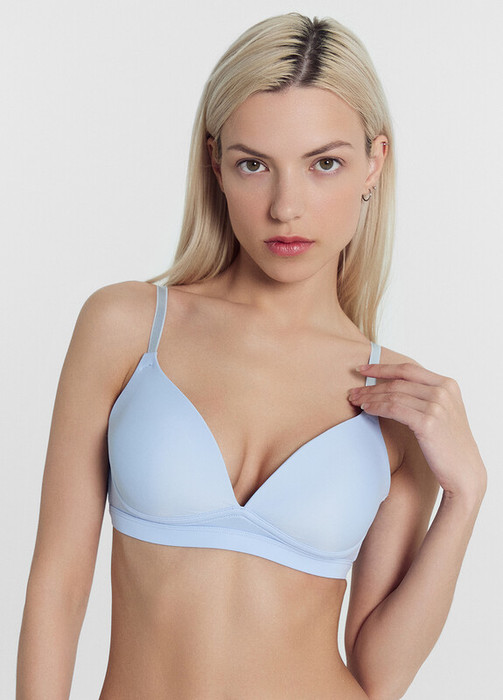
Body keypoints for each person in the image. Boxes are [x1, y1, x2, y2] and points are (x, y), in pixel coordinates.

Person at [16, 12, 487, 700]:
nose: (285, 207)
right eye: (254, 165)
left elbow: (380, 676)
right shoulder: (127, 328)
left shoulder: (398, 400)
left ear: (373, 163)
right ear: (216, 164)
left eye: (324, 163)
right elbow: (57, 585)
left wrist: (466, 495)